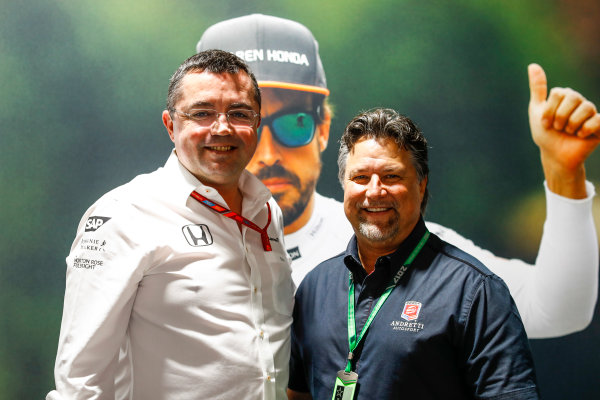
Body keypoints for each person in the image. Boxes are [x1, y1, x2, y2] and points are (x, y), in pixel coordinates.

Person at [196, 13, 600, 338]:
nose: (267, 154)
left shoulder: (394, 240)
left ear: (322, 129)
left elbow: (555, 311)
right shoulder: (146, 233)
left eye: (295, 123)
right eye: (245, 123)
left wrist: (564, 173)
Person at [47, 50, 293, 400]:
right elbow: (81, 381)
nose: (222, 127)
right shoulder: (123, 214)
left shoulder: (266, 210)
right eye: (202, 113)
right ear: (170, 125)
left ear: (256, 124)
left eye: (239, 113)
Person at [288, 108, 540, 399]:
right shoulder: (314, 287)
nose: (374, 191)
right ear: (344, 185)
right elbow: (299, 393)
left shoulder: (475, 292)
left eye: (391, 176)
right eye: (360, 177)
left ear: (421, 185)